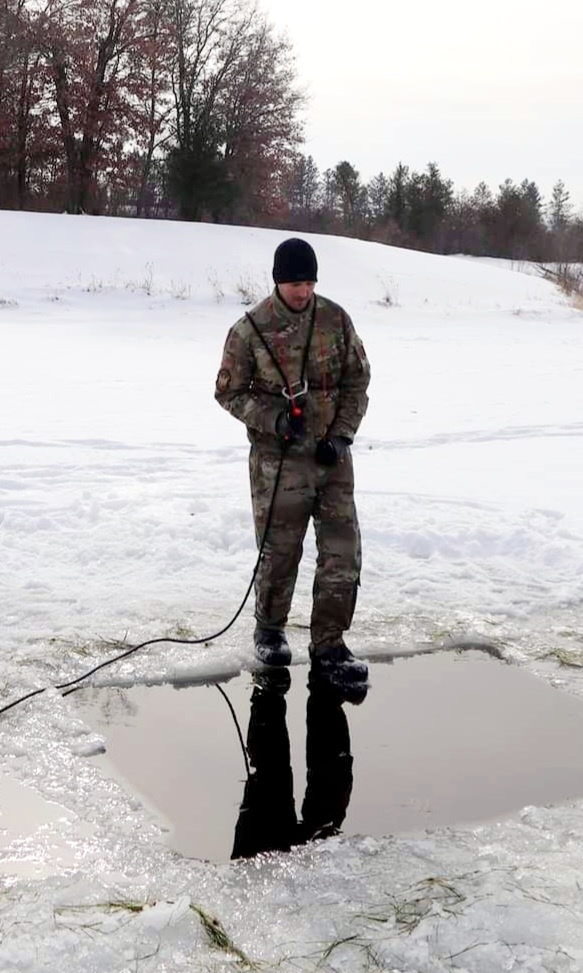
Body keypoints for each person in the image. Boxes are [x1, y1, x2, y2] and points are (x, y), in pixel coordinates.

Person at [215, 238, 370, 688]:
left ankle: (330, 644)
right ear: (277, 281)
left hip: (331, 460)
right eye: (293, 283)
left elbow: (357, 381)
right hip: (278, 462)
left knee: (342, 551)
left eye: (308, 282)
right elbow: (228, 392)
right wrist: (273, 420)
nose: (302, 292)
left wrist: (341, 436)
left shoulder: (335, 320)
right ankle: (270, 628)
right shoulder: (251, 329)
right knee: (281, 552)